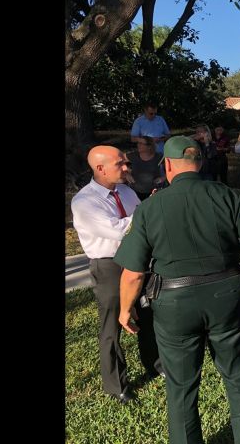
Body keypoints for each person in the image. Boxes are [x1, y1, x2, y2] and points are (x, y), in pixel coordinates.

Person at [115, 136, 240, 444]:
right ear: (199, 163)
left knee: (181, 385)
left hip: (174, 305)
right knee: (238, 376)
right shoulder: (226, 195)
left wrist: (124, 309)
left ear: (169, 165)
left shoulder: (150, 207)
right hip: (227, 297)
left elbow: (133, 273)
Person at [70, 145, 162, 404]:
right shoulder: (85, 201)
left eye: (126, 163)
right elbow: (122, 230)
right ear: (100, 169)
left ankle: (154, 364)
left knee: (147, 313)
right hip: (109, 266)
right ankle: (116, 384)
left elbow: (139, 223)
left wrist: (145, 210)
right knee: (111, 325)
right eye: (120, 164)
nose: (126, 167)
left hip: (137, 260)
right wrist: (147, 211)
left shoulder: (126, 191)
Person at [126, 136, 165, 200]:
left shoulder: (158, 157)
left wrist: (163, 178)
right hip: (135, 192)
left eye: (141, 143)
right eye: (138, 143)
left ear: (149, 146)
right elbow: (117, 159)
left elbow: (173, 165)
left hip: (153, 192)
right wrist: (126, 173)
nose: (138, 145)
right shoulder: (134, 155)